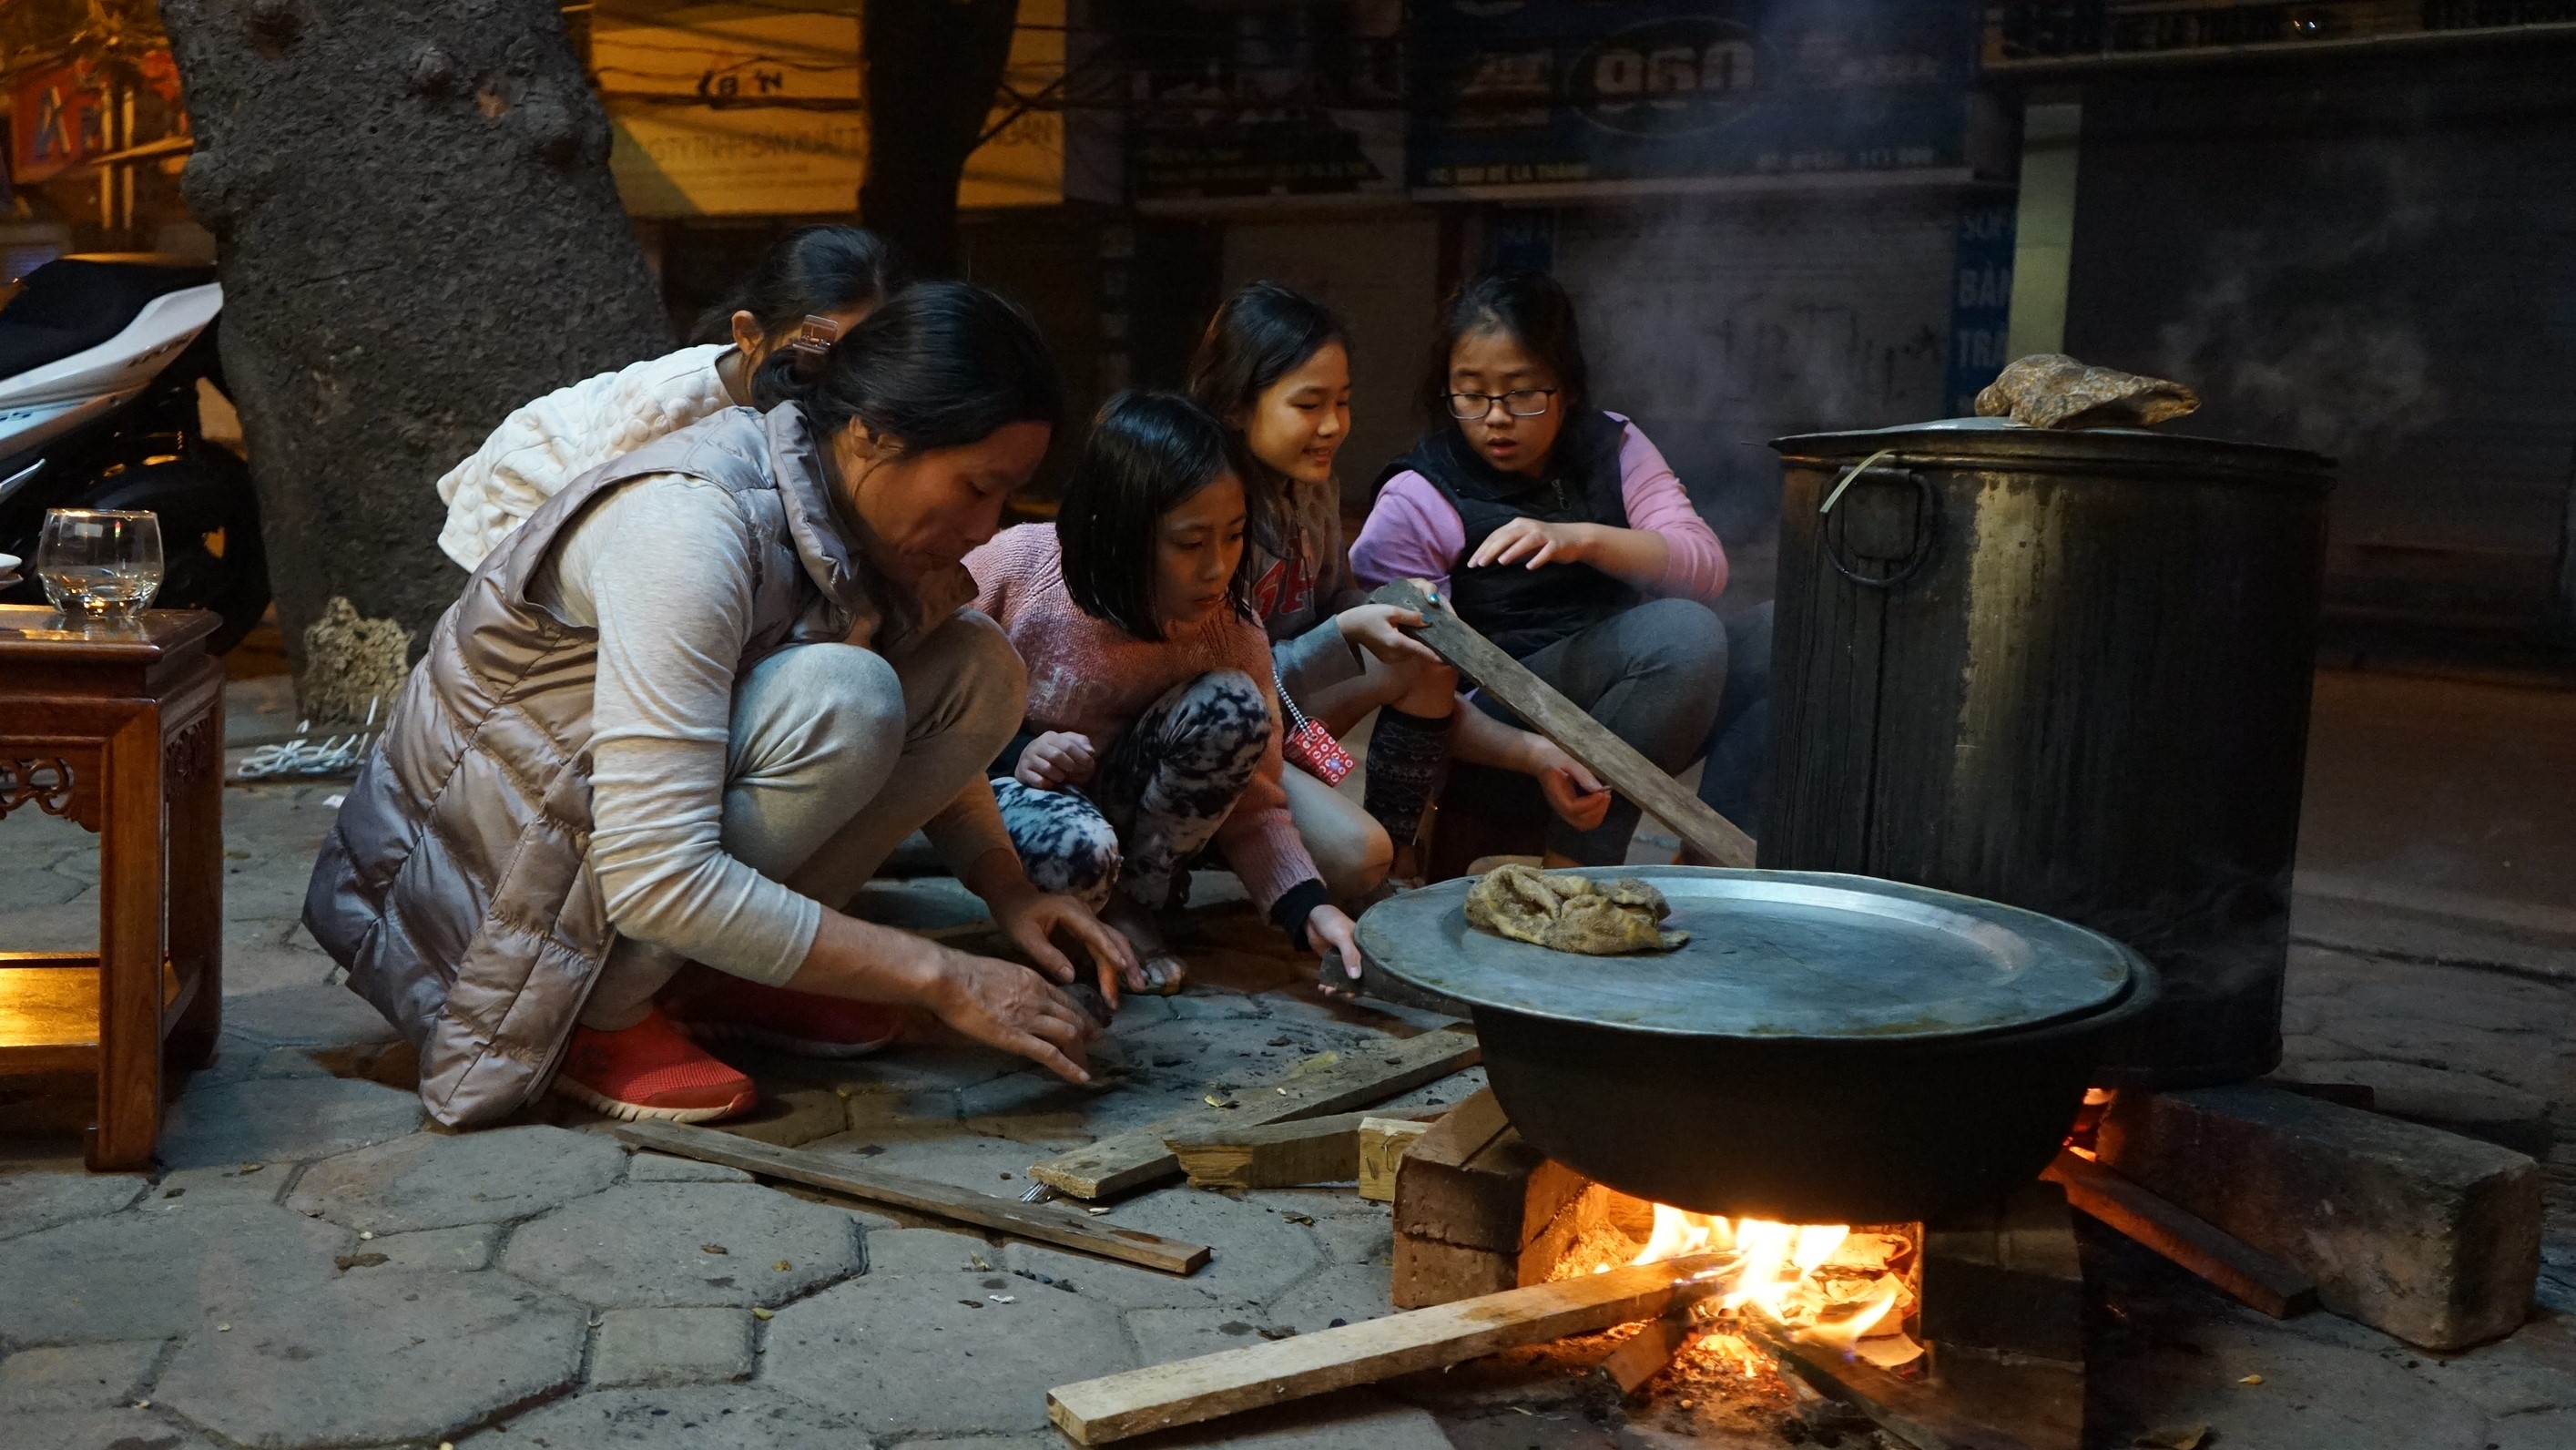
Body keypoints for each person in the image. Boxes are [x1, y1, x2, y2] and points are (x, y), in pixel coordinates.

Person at [307, 282, 1135, 1128]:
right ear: (872, 433)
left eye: (1006, 497)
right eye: (976, 487)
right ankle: (601, 1013)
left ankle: (723, 974)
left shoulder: (829, 501)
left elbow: (941, 725)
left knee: (976, 664)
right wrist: (942, 976)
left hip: (598, 862)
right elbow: (658, 879)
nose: (986, 527)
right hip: (493, 921)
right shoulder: (689, 527)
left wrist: (1008, 888)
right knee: (846, 698)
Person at [1186, 282, 1607, 897]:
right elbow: (1215, 689)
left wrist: (1534, 753)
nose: (1333, 425)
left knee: (1422, 642)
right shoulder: (1206, 514)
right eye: (1308, 404)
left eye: (1342, 401)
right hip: (1214, 737)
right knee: (1359, 855)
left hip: (1284, 719)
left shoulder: (1310, 490)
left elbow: (1339, 608)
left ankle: (1400, 856)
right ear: (1234, 406)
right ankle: (1234, 843)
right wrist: (1345, 631)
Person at [965, 390, 1361, 993]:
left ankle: (1136, 903)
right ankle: (1085, 911)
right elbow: (930, 695)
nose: (1217, 568)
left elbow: (1255, 800)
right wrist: (1015, 751)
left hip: (1125, 809)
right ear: (1118, 530)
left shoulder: (1231, 631)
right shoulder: (1019, 567)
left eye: (1233, 536)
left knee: (1235, 705)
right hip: (1009, 790)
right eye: (1189, 542)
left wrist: (1307, 908)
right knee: (1078, 851)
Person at [1351, 268, 1730, 868]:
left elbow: (1705, 567)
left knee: (1774, 641)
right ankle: (1575, 868)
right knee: (1683, 636)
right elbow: (1411, 698)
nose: (1496, 417)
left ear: (1567, 387)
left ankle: (1723, 870)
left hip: (1627, 707)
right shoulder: (1418, 495)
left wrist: (1583, 539)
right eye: (1470, 393)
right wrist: (1533, 752)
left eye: (1522, 392)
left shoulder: (1614, 444)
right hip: (1495, 735)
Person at [435, 225, 905, 571]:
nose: (845, 373)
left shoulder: (832, 398)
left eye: (863, 354)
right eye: (820, 352)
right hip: (532, 496)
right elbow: (582, 515)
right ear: (748, 334)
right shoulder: (667, 403)